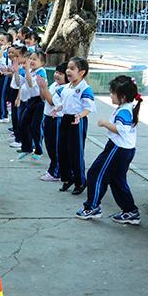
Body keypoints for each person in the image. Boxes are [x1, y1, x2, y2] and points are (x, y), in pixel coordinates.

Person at [76, 76, 142, 224]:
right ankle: (130, 211)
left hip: (117, 149)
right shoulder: (127, 108)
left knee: (95, 174)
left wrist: (105, 123)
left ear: (123, 97)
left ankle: (92, 207)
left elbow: (121, 130)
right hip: (123, 149)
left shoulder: (124, 111)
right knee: (117, 180)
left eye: (112, 93)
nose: (110, 95)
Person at [52, 57, 96, 195]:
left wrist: (80, 116)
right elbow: (64, 103)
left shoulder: (85, 88)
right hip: (65, 119)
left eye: (72, 68)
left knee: (75, 152)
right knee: (62, 149)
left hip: (77, 120)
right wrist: (57, 109)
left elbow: (89, 107)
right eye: (68, 68)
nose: (68, 71)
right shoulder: (66, 87)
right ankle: (67, 178)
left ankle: (80, 181)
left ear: (81, 72)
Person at [38, 62, 68, 181]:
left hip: (57, 119)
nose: (57, 75)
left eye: (61, 74)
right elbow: (44, 98)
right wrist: (42, 87)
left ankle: (56, 172)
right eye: (56, 72)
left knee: (55, 146)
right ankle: (54, 169)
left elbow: (52, 102)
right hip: (48, 117)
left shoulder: (64, 88)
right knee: (49, 145)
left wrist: (44, 87)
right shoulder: (55, 85)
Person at [18, 51, 46, 161]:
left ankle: (38, 150)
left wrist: (27, 70)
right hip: (30, 101)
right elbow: (22, 84)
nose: (32, 61)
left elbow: (30, 83)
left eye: (35, 59)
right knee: (23, 124)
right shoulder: (30, 71)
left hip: (39, 101)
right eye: (31, 59)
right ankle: (27, 147)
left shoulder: (41, 72)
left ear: (42, 63)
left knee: (35, 127)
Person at [9, 46, 28, 149]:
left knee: (18, 116)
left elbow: (21, 84)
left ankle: (19, 139)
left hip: (19, 93)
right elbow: (16, 82)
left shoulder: (24, 69)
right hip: (15, 90)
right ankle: (17, 136)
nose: (14, 58)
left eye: (17, 56)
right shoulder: (19, 68)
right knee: (15, 115)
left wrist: (18, 97)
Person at [0, 33, 13, 123]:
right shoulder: (3, 52)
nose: (0, 42)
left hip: (5, 76)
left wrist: (2, 50)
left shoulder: (7, 53)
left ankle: (4, 116)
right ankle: (0, 113)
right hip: (1, 75)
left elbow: (0, 60)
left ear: (8, 43)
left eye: (2, 40)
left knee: (1, 95)